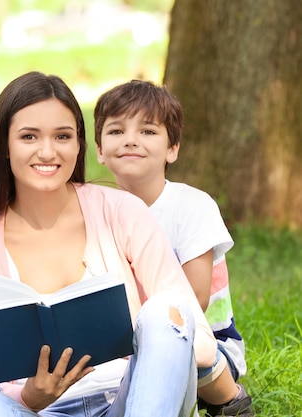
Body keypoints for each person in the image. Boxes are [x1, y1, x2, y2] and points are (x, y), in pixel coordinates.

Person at [0, 71, 217, 417]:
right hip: (39, 411)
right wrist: (32, 396)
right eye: (29, 136)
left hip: (130, 399)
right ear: (4, 145)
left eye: (62, 136)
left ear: (79, 144)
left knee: (165, 307)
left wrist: (142, 345)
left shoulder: (122, 211)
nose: (47, 152)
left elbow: (198, 340)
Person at [94, 79, 253, 417]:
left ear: (172, 149)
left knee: (171, 356)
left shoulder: (192, 206)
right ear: (99, 149)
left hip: (204, 341)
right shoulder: (93, 210)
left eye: (148, 131)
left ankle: (229, 401)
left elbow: (194, 300)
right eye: (117, 131)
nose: (131, 140)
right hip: (119, 348)